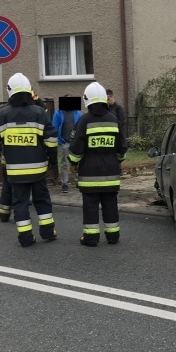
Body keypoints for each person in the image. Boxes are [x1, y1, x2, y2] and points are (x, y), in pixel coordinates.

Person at [0, 73, 58, 247]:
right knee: (42, 200)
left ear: (10, 91)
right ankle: (48, 232)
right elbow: (51, 139)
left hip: (15, 170)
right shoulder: (39, 112)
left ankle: (25, 238)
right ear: (29, 90)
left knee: (20, 203)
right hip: (38, 169)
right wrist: (52, 160)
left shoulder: (3, 114)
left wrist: (3, 142)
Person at [68, 82, 128, 247]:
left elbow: (76, 148)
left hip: (89, 175)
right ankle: (113, 236)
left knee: (90, 206)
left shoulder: (84, 120)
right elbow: (122, 147)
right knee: (110, 205)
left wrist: (72, 164)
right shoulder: (114, 119)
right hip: (111, 174)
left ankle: (91, 238)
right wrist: (116, 160)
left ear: (87, 100)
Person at [51, 95, 81, 193]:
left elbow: (80, 126)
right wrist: (60, 140)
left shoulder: (77, 113)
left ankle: (78, 181)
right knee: (64, 163)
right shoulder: (58, 113)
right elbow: (54, 127)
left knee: (77, 161)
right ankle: (65, 183)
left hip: (75, 142)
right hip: (64, 142)